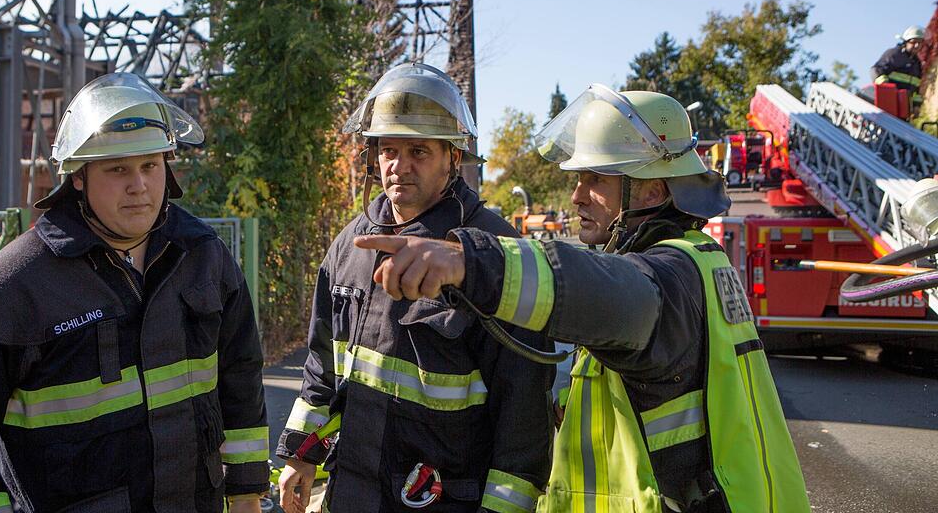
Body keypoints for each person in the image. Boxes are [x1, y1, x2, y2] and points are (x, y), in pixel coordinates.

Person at [356, 85, 810, 513]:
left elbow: (609, 293)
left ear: (652, 189)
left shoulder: (670, 277)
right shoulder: (697, 260)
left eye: (596, 179)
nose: (576, 197)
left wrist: (468, 262)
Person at [0, 73, 269, 513]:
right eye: (118, 169)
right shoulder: (7, 292)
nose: (138, 185)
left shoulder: (203, 257)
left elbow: (240, 377)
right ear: (77, 178)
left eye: (150, 165)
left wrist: (247, 492)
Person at [276, 63, 553, 513]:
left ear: (453, 158)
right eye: (388, 150)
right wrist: (299, 455)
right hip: (353, 495)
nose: (399, 166)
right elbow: (322, 366)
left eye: (419, 151)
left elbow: (523, 417)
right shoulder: (351, 245)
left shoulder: (495, 258)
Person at [871, 25, 925, 112]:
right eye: (914, 42)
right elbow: (876, 70)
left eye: (920, 43)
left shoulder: (917, 63)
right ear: (906, 42)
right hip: (886, 104)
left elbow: (917, 89)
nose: (917, 45)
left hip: (903, 108)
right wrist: (885, 87)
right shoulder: (894, 55)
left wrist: (916, 106)